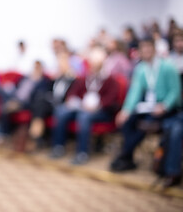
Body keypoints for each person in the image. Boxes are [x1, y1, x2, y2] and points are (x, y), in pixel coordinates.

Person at [111, 38, 181, 172]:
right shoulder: (141, 69)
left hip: (166, 108)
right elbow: (134, 92)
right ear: (140, 51)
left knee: (144, 125)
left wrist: (165, 106)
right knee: (127, 122)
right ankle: (127, 158)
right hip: (148, 107)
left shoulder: (168, 66)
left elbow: (175, 91)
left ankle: (123, 156)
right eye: (143, 48)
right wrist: (125, 111)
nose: (146, 51)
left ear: (154, 49)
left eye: (149, 47)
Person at [50, 48, 119, 165]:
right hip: (82, 106)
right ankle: (58, 147)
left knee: (84, 117)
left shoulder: (109, 80)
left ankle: (82, 153)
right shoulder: (85, 78)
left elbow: (111, 99)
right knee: (61, 112)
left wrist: (98, 105)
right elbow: (73, 92)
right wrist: (72, 100)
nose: (93, 66)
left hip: (101, 111)